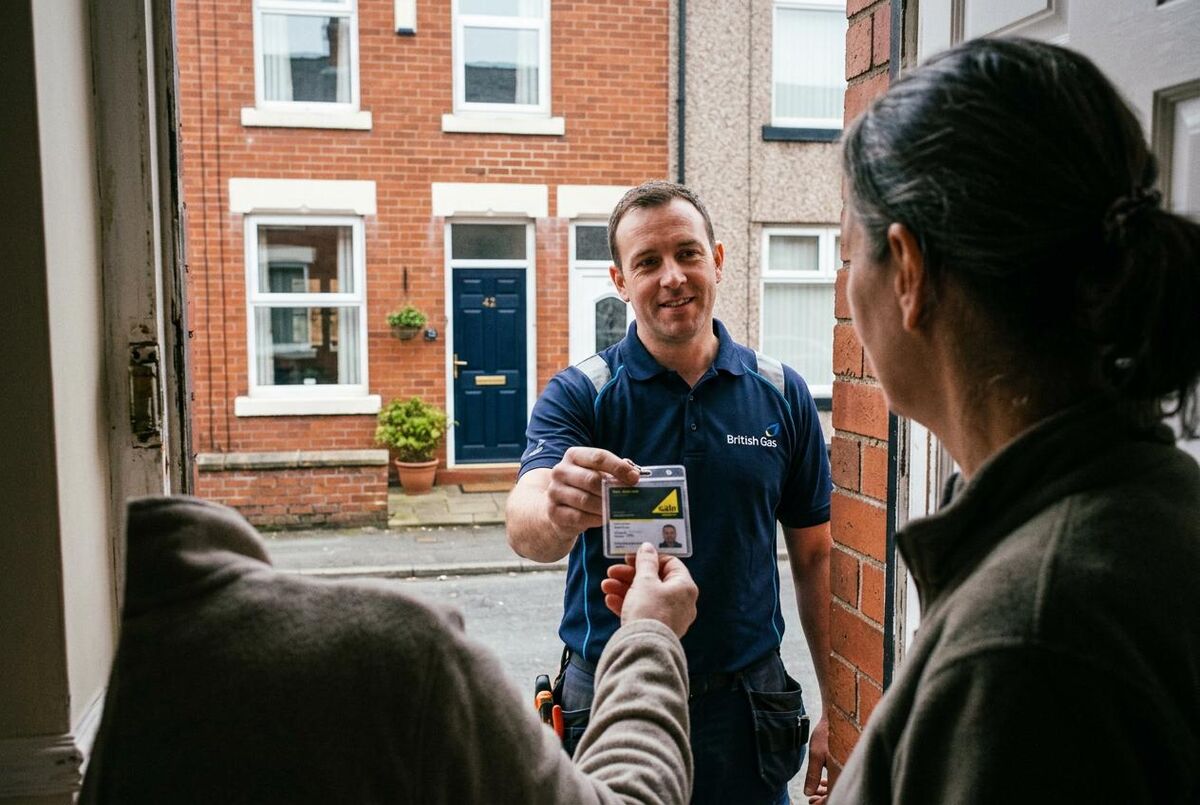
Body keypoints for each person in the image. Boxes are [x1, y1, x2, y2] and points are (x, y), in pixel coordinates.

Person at [829, 38, 1200, 803]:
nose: (845, 291)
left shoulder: (1025, 652)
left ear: (908, 270)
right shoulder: (1150, 500)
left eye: (846, 254)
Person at [506, 181, 834, 804]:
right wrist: (556, 506)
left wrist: (835, 708)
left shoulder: (782, 394)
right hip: (609, 694)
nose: (672, 277)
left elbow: (816, 557)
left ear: (717, 258)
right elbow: (526, 522)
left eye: (687, 253)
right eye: (648, 262)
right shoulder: (582, 394)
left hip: (747, 709)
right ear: (620, 280)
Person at [81, 496, 699, 804]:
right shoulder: (399, 656)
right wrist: (649, 634)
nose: (671, 276)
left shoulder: (139, 659)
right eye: (646, 259)